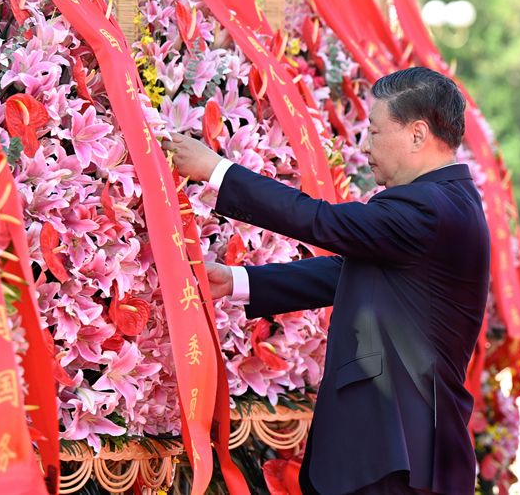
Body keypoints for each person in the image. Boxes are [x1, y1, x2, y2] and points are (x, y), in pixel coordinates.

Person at [166, 67, 490, 495]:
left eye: (374, 131)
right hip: (394, 451)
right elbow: (350, 271)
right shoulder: (446, 200)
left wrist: (216, 170)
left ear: (417, 134)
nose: (365, 145)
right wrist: (237, 281)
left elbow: (322, 221)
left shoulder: (429, 206)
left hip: (397, 455)